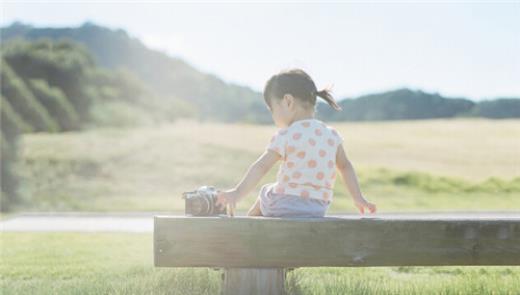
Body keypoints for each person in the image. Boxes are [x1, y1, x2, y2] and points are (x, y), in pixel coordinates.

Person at [215, 68, 376, 217]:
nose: (273, 116)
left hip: (284, 203)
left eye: (272, 109)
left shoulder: (286, 135)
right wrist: (358, 198)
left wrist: (237, 193)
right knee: (271, 192)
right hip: (317, 208)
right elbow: (345, 166)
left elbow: (261, 166)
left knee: (265, 192)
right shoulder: (332, 135)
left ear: (288, 101)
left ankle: (249, 229)